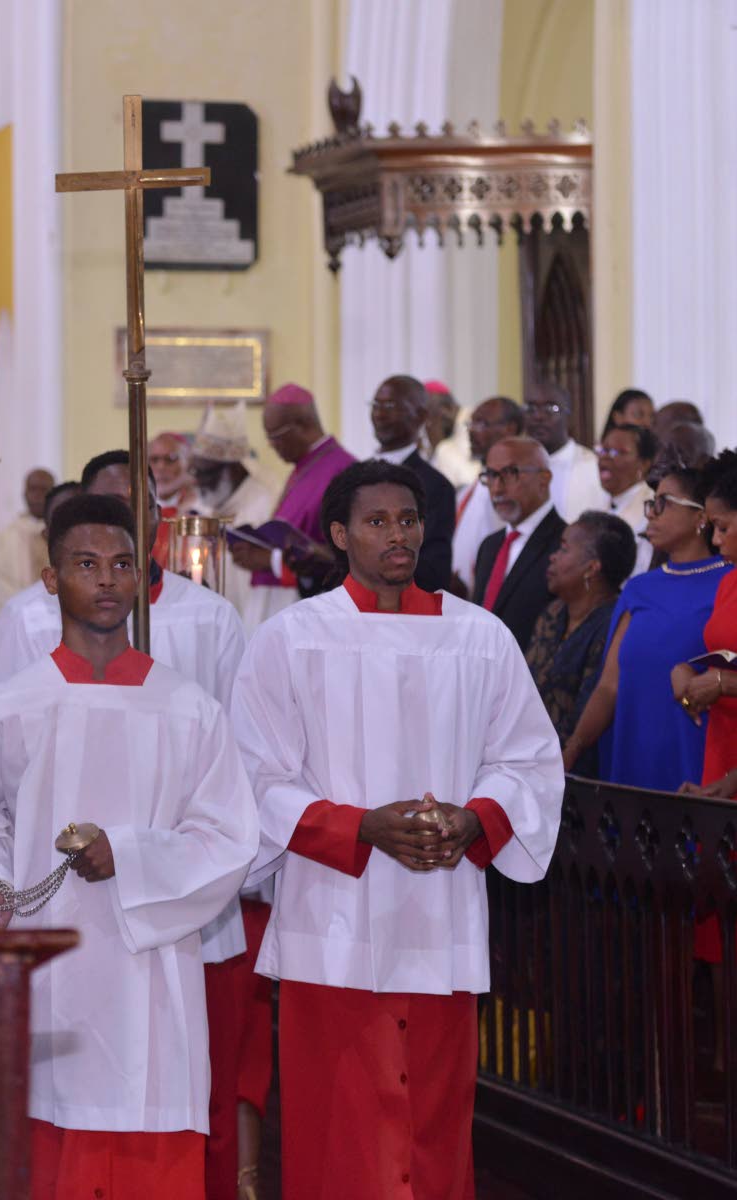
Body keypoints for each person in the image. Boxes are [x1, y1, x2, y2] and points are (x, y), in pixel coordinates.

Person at [230, 459, 563, 1200]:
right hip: (334, 915)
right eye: (376, 521)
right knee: (338, 1119)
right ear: (340, 533)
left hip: (439, 910)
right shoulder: (291, 639)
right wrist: (360, 827)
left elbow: (528, 759)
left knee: (436, 1117)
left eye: (407, 520)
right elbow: (253, 778)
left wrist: (471, 817)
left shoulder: (478, 637)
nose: (397, 534)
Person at [0, 493, 258, 1200]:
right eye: (85, 564)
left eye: (121, 564)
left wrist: (131, 857)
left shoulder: (188, 708)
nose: (106, 580)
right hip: (49, 961)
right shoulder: (13, 703)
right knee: (53, 1146)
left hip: (155, 971)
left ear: (141, 576)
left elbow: (229, 837)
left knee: (154, 1145)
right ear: (51, 580)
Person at [562, 468, 729, 787]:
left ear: (701, 516)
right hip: (632, 753)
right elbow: (610, 686)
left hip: (696, 753)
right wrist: (574, 748)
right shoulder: (639, 589)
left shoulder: (727, 584)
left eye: (663, 502)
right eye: (651, 502)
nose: (650, 512)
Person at [229, 383, 355, 627]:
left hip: (311, 609)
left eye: (275, 437)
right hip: (279, 603)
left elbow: (345, 555)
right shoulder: (301, 468)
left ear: (302, 426)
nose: (272, 446)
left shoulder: (343, 470)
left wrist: (272, 560)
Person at [526, 512, 636, 776]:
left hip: (581, 772)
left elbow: (591, 704)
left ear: (592, 568)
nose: (553, 556)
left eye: (564, 548)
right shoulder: (552, 613)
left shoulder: (614, 624)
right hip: (528, 762)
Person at [673, 450, 737, 792]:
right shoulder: (729, 583)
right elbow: (727, 659)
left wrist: (724, 684)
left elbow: (726, 678)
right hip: (723, 744)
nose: (714, 540)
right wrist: (688, 675)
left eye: (722, 527)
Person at [472, 437, 566, 652]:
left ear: (544, 478)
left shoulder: (564, 544)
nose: (497, 488)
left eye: (509, 474)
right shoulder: (489, 546)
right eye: (491, 475)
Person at [189, 401, 276, 631]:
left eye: (205, 473)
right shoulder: (205, 503)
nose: (198, 481)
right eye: (194, 471)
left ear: (234, 469)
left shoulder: (265, 505)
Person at [370, 374, 455, 591]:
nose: (379, 414)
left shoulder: (436, 486)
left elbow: (434, 570)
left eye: (389, 405)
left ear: (420, 416)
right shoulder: (356, 478)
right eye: (375, 405)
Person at [453, 395, 523, 593]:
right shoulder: (470, 488)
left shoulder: (519, 488)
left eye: (482, 423)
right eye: (471, 423)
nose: (472, 431)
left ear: (511, 428)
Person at [0, 468, 55, 621]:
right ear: (24, 493)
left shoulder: (65, 537)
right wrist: (26, 612)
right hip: (17, 618)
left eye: (44, 489)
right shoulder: (3, 540)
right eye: (33, 489)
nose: (38, 496)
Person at [523, 380, 604, 521]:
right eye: (531, 409)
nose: (538, 416)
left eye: (551, 408)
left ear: (570, 416)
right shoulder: (515, 467)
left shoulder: (593, 466)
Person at [596, 423, 657, 575]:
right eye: (604, 450)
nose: (605, 457)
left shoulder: (652, 508)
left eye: (618, 452)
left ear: (644, 464)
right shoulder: (601, 503)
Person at [425, 379, 478, 488]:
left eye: (430, 415)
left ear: (447, 409)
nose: (428, 425)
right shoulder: (451, 428)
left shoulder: (470, 421)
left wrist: (437, 444)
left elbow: (468, 478)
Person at [149, 430, 197, 511]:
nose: (161, 467)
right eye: (154, 459)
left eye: (171, 458)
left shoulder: (201, 505)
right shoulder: (137, 505)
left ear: (188, 462)